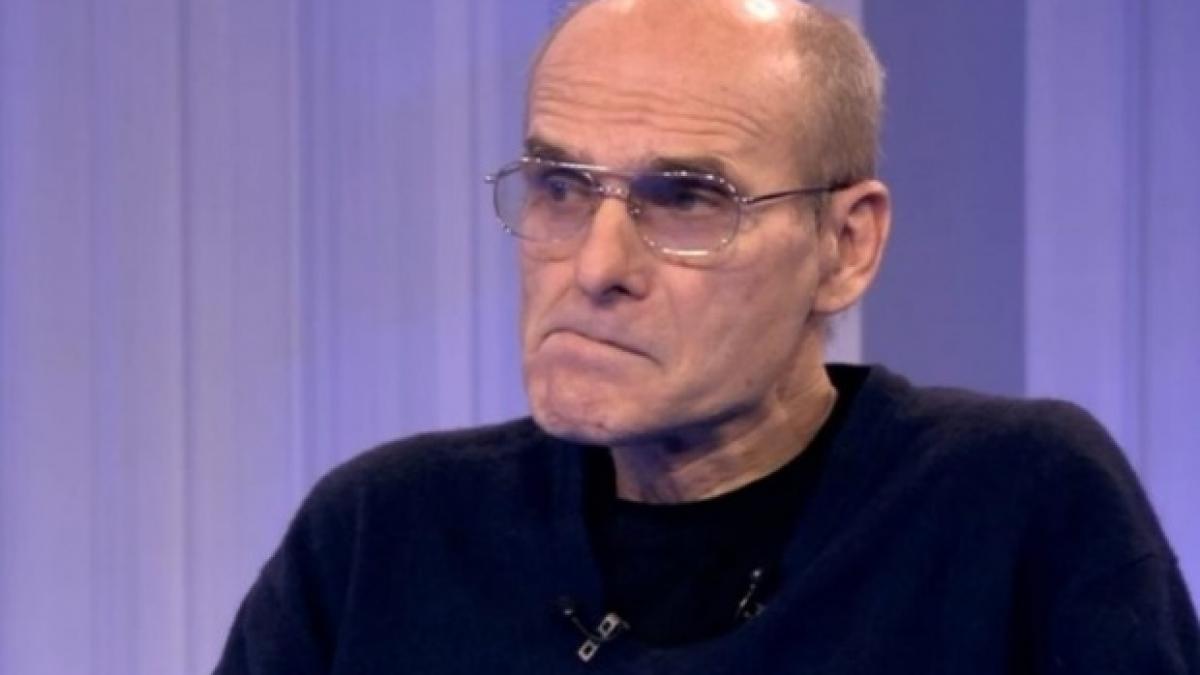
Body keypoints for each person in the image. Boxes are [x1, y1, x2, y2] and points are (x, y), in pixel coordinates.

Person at [215, 0, 1200, 672]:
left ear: (846, 246)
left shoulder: (1014, 504)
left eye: (686, 198)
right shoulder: (381, 536)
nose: (596, 265)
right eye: (561, 188)